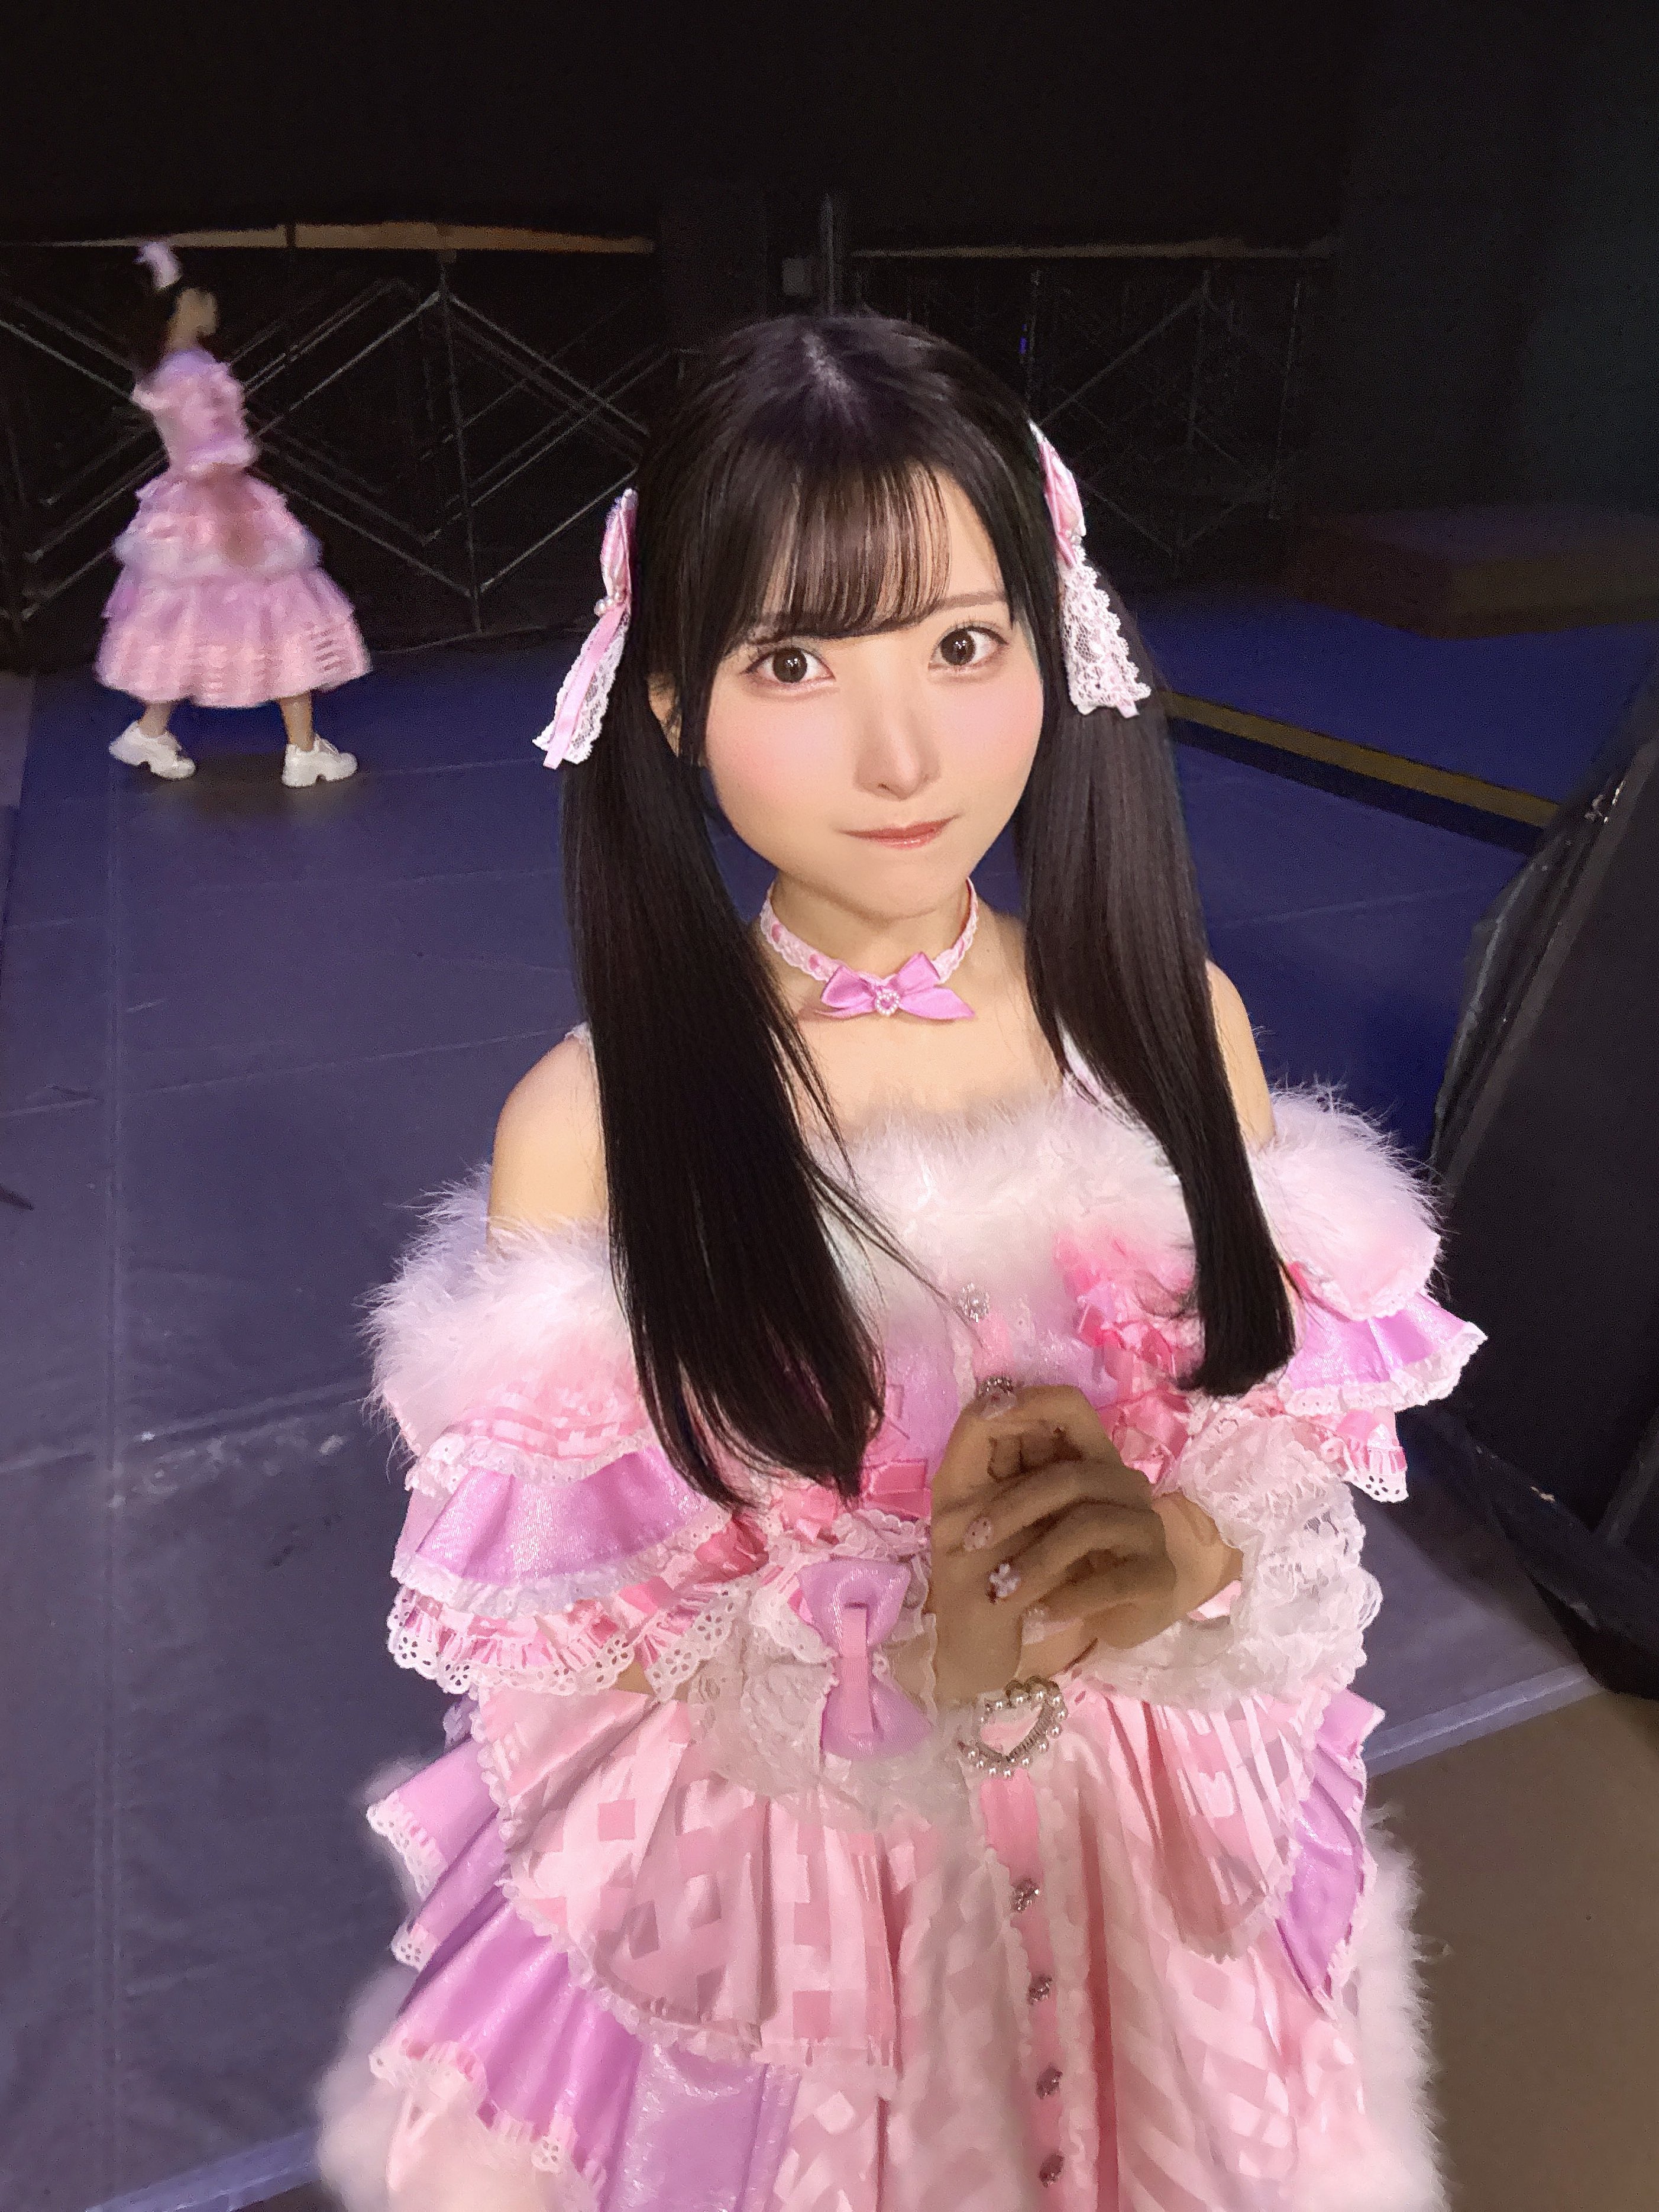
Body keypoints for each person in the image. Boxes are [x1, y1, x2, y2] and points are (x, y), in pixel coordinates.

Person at [318, 315, 1481, 2210]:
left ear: (1052, 641)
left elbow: (1269, 1451)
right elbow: (586, 1683)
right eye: (794, 660)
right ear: (668, 701)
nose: (901, 751)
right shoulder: (593, 1131)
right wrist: (898, 1666)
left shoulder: (1168, 1027)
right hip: (808, 1922)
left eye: (959, 643)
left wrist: (1183, 1550)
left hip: (1148, 1836)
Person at [98, 241, 364, 786]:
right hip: (220, 506)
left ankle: (151, 731)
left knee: (190, 620)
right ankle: (302, 749)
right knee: (283, 615)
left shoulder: (168, 370)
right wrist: (234, 517)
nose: (215, 307)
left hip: (188, 510)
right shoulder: (192, 371)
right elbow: (209, 452)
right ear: (187, 304)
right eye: (207, 297)